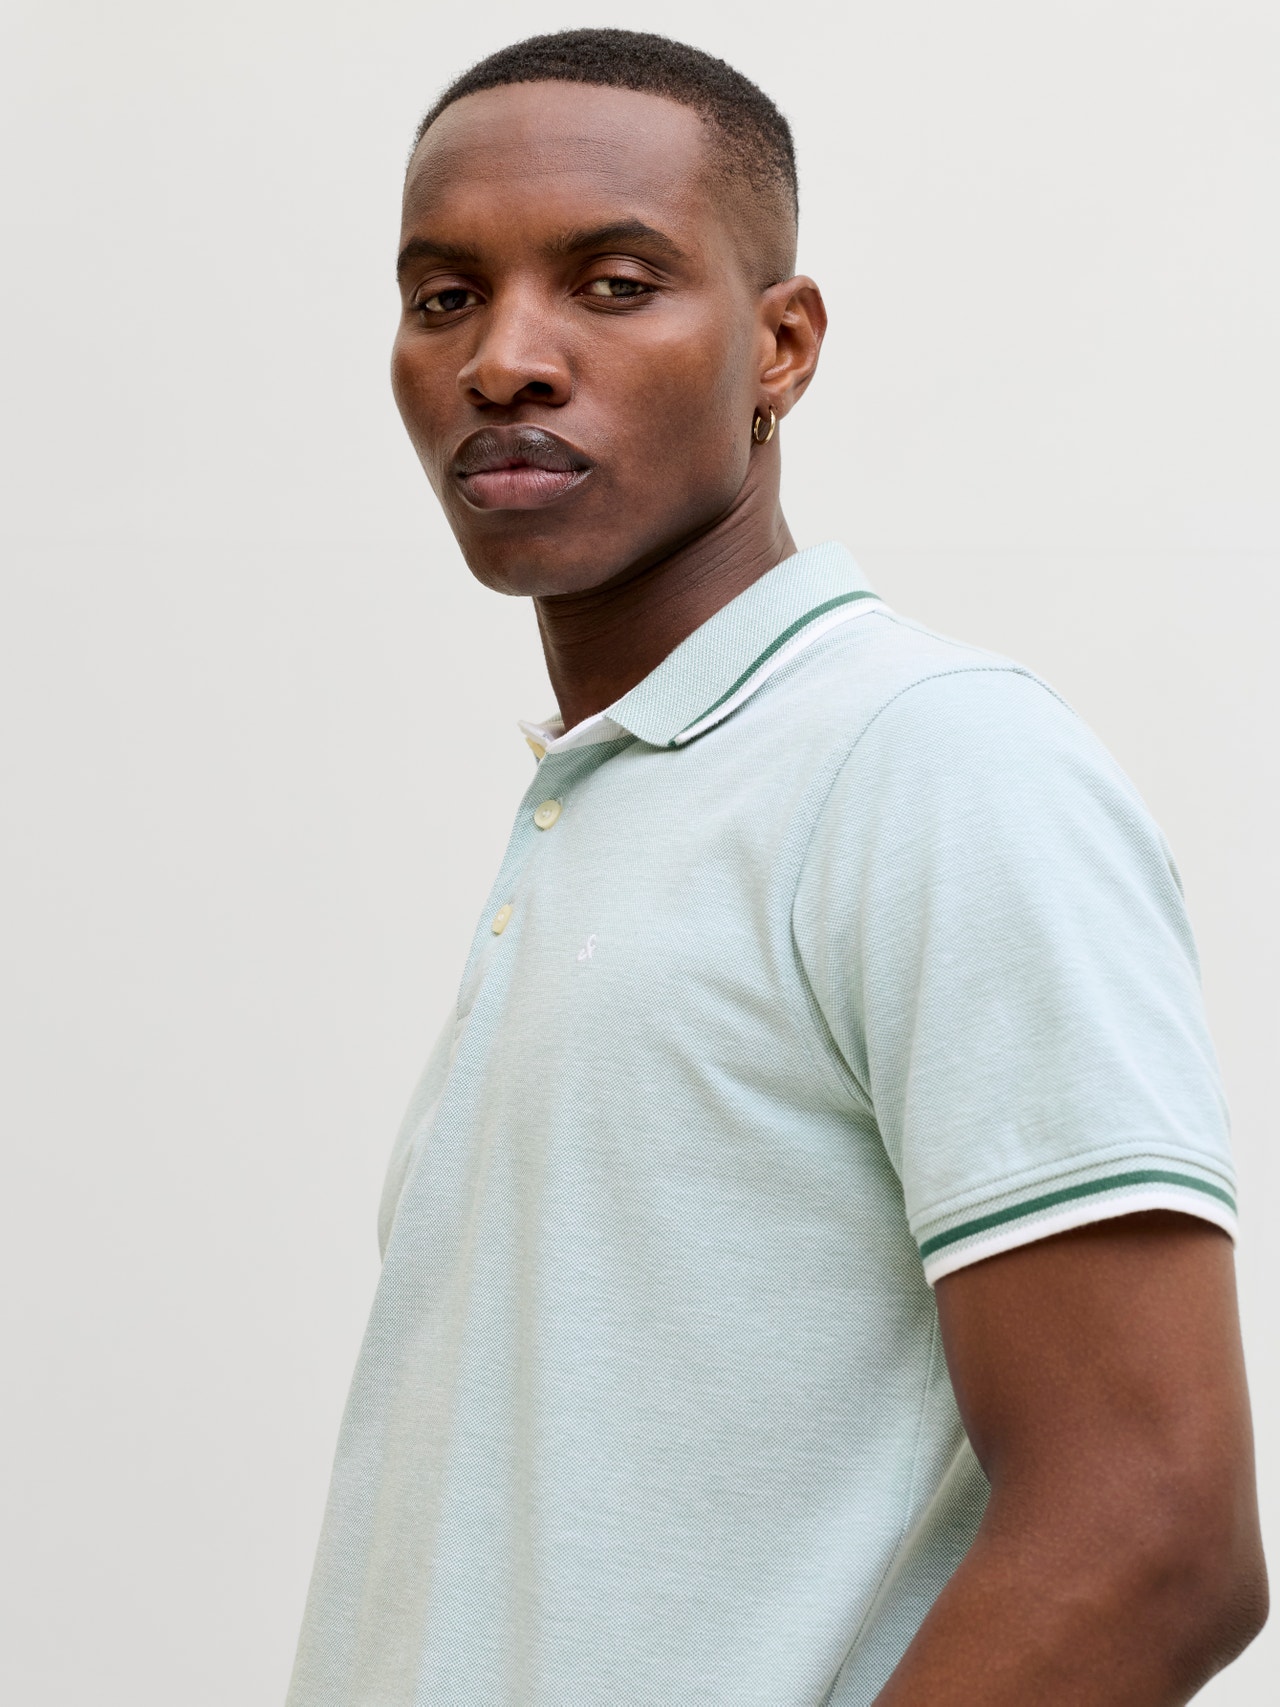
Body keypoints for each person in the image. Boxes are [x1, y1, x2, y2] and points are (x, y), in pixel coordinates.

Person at [287, 29, 1266, 1706]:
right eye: (445, 297)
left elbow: (1156, 1535)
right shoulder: (609, 799)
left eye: (612, 285)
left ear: (782, 345)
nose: (505, 360)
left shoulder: (928, 762)